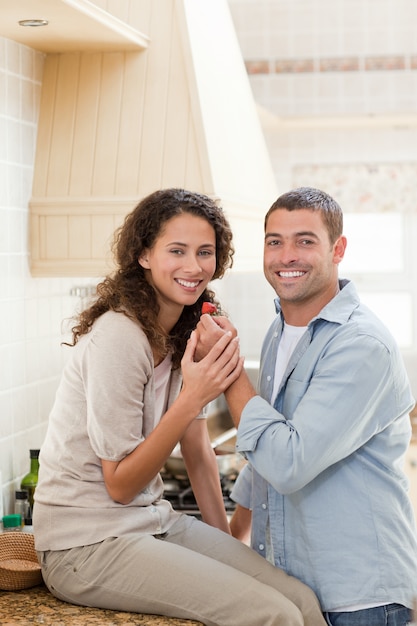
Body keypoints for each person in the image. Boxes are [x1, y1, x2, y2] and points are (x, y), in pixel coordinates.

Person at [33, 188, 327, 626]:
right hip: (86, 545)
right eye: (177, 250)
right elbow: (120, 486)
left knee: (300, 600)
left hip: (152, 523)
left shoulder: (184, 333)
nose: (194, 267)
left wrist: (225, 542)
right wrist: (193, 394)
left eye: (205, 252)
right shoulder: (119, 337)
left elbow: (197, 450)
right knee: (274, 615)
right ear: (143, 255)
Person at [195, 187, 417, 626]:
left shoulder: (361, 345)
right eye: (274, 241)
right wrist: (231, 538)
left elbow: (287, 461)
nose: (286, 255)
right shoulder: (280, 331)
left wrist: (229, 370)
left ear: (338, 250)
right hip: (296, 588)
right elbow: (264, 455)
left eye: (305, 241)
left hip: (359, 598)